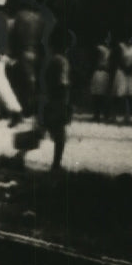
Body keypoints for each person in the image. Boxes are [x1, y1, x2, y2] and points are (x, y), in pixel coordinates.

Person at [9, 0, 56, 117]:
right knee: (36, 82)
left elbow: (13, 36)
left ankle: (23, 107)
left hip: (22, 52)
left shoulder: (20, 16)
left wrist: (13, 52)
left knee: (21, 81)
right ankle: (35, 108)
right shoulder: (46, 18)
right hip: (39, 52)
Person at [39, 27, 74, 172]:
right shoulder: (62, 62)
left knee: (42, 130)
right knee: (60, 134)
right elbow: (63, 83)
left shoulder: (51, 59)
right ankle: (56, 164)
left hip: (48, 98)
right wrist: (66, 103)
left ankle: (19, 155)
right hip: (58, 100)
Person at [111, 34, 132, 124]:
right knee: (120, 94)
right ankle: (115, 116)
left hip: (131, 72)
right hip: (121, 72)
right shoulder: (121, 47)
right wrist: (125, 69)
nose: (131, 40)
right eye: (129, 37)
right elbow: (117, 60)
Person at [89, 35, 113, 121]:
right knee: (97, 94)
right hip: (99, 71)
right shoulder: (100, 48)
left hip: (104, 72)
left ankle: (103, 114)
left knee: (102, 94)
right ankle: (98, 114)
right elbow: (94, 60)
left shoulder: (109, 50)